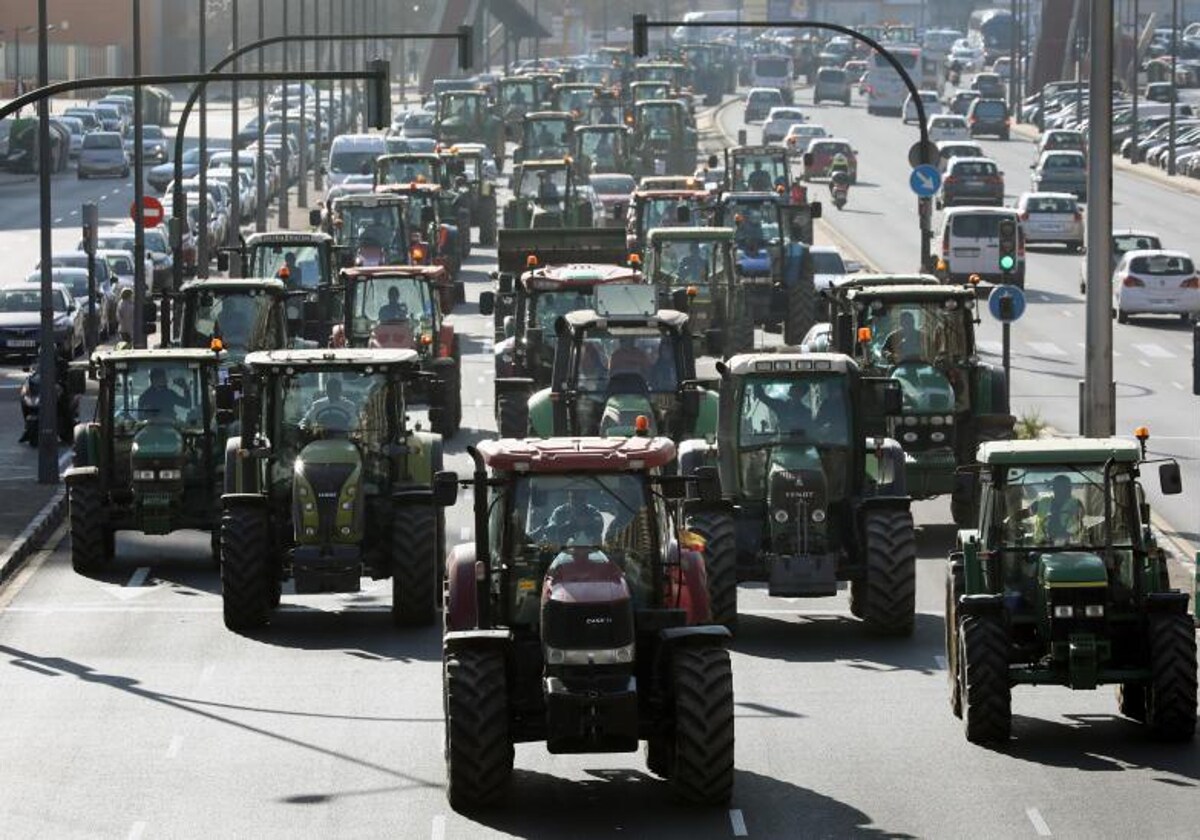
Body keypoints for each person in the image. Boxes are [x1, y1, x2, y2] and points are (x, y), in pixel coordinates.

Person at [532, 488, 605, 545]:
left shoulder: (592, 511)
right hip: (564, 550)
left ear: (585, 498)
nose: (578, 501)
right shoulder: (560, 512)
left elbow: (599, 526)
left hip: (591, 550)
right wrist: (569, 524)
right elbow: (552, 529)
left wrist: (587, 522)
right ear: (569, 497)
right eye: (575, 498)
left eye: (581, 498)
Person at [1032, 475, 1086, 544]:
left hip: (1071, 548)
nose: (1066, 490)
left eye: (1067, 487)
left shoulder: (1076, 504)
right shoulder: (1042, 503)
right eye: (1061, 487)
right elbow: (1022, 514)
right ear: (1054, 489)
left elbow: (1082, 518)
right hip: (1042, 547)